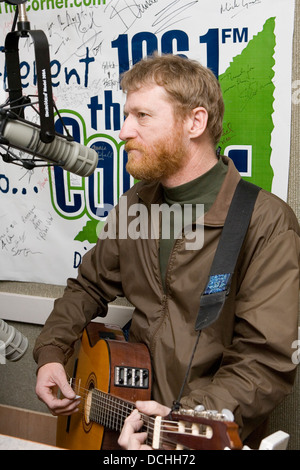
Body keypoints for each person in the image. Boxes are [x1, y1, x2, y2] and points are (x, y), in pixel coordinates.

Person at [33, 54, 300, 449]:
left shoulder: (266, 222)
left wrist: (183, 420)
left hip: (192, 436)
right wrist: (52, 352)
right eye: (126, 115)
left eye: (141, 116)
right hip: (120, 418)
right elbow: (87, 286)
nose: (123, 131)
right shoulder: (135, 204)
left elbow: (264, 362)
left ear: (195, 122)